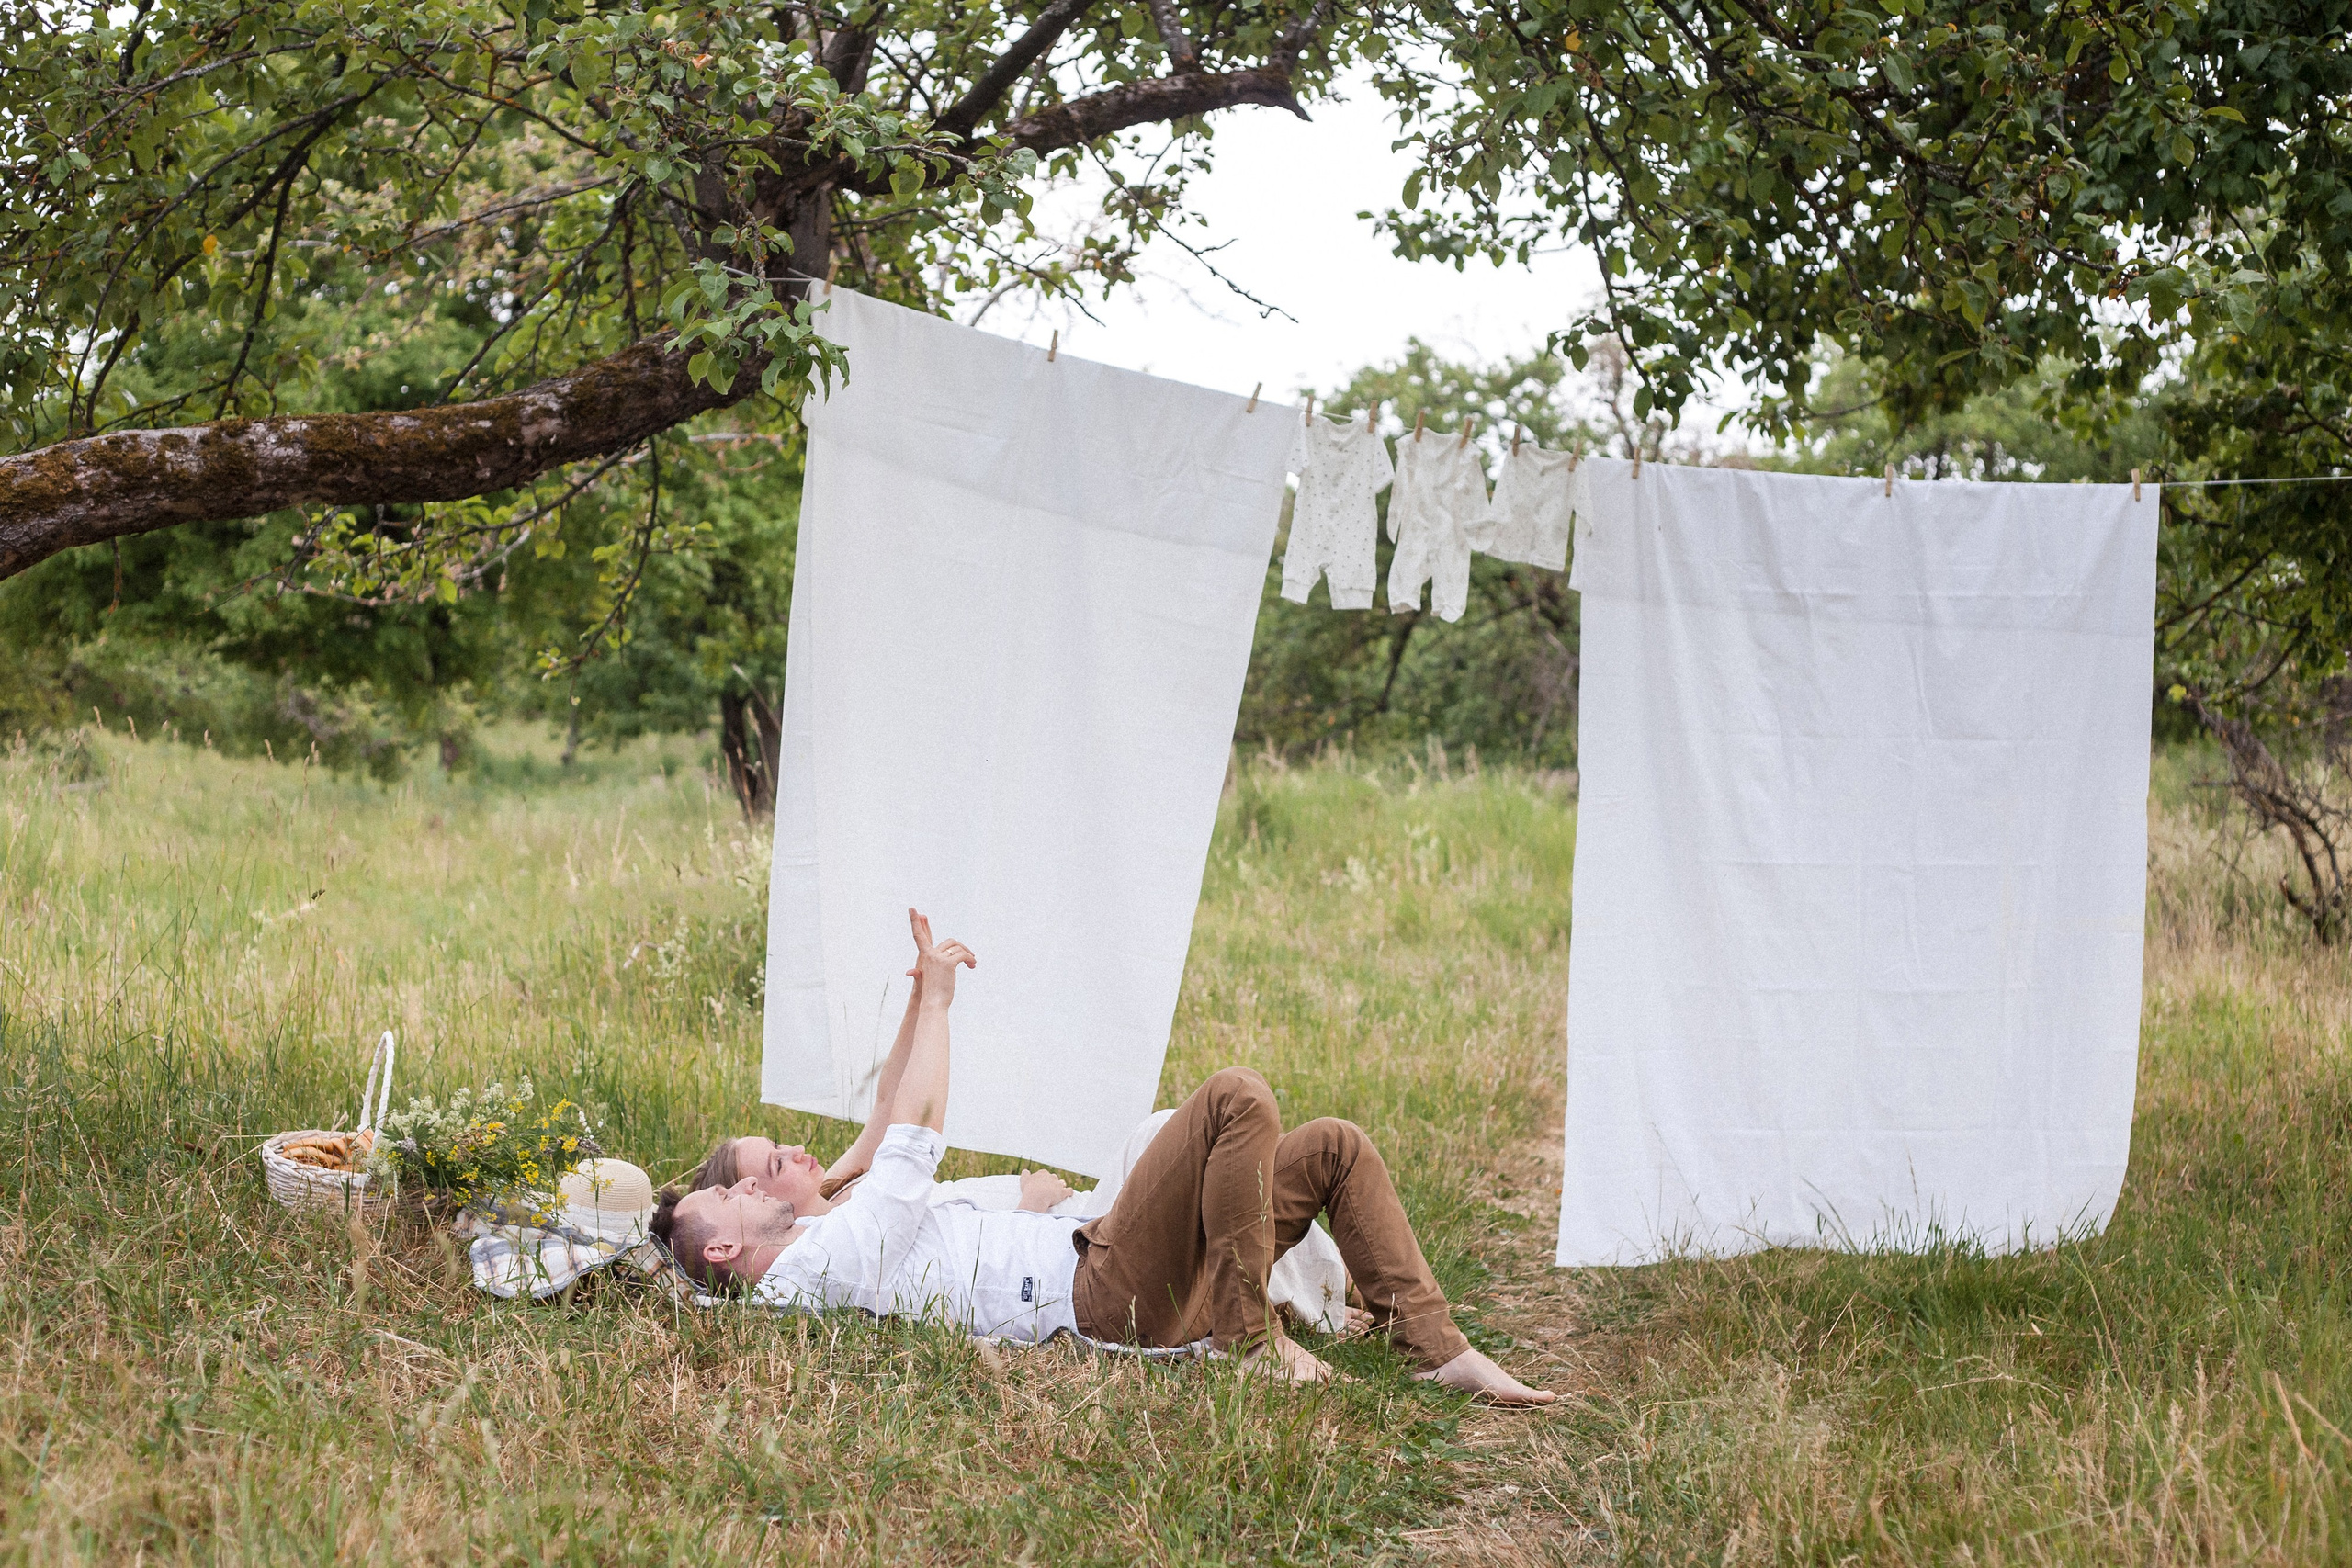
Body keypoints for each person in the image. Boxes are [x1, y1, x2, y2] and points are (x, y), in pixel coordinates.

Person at [652, 910, 1553, 1405]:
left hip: (1112, 1250)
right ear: (725, 1248)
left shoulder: (835, 1213)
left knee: (1331, 1150)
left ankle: (1431, 1345)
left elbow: (888, 1117)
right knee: (1236, 1096)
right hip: (1105, 1291)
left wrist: (922, 989)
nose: (737, 1185)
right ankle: (1246, 1339)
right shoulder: (822, 1261)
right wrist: (940, 1012)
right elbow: (917, 1132)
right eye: (727, 1193)